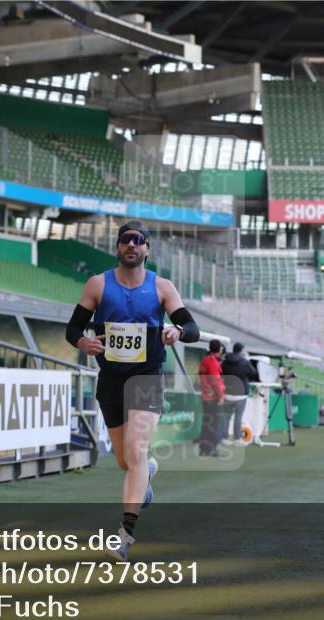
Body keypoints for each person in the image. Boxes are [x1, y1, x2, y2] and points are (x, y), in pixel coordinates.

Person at [65, 221, 200, 562]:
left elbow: (193, 329)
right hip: (111, 380)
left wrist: (177, 332)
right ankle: (148, 472)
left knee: (136, 451)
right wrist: (83, 341)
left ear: (147, 249)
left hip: (147, 378)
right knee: (127, 461)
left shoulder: (162, 287)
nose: (131, 246)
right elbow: (72, 328)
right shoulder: (98, 284)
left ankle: (124, 535)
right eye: (125, 240)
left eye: (138, 241)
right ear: (117, 248)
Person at [221, 342, 259, 444]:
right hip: (240, 394)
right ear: (241, 350)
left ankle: (224, 438)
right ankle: (237, 439)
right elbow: (253, 373)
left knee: (226, 417)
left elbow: (220, 374)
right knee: (238, 417)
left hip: (227, 393)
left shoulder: (225, 361)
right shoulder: (244, 362)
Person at [198, 339, 226, 457]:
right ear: (219, 349)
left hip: (206, 396)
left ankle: (204, 449)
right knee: (212, 424)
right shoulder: (213, 362)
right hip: (212, 397)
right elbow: (216, 381)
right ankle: (211, 449)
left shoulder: (205, 360)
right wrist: (221, 396)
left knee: (207, 424)